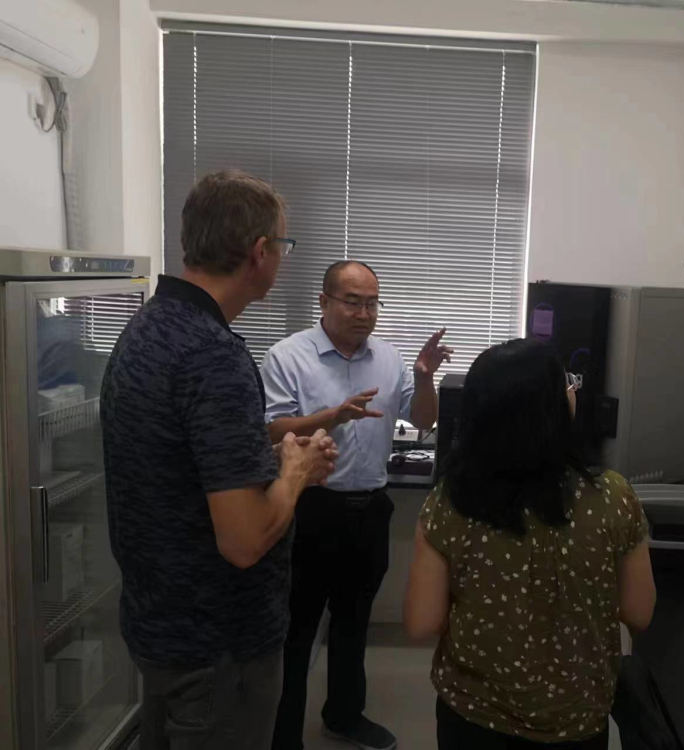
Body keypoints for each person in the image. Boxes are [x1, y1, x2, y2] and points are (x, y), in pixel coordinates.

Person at [101, 170, 338, 750]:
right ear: (259, 252)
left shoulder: (148, 327)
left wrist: (266, 454)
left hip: (160, 627)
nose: (281, 258)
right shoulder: (213, 355)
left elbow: (178, 463)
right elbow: (243, 540)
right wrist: (296, 473)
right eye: (282, 245)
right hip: (218, 650)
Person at [403, 338, 657, 750]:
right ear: (550, 409)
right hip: (576, 719)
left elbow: (421, 622)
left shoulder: (451, 500)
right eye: (565, 383)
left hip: (474, 717)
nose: (573, 389)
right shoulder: (613, 497)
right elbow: (639, 612)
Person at [263, 260, 453, 750]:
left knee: (353, 622)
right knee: (297, 628)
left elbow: (424, 420)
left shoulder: (388, 358)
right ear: (324, 301)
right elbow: (272, 429)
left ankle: (345, 716)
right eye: (352, 302)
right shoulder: (288, 356)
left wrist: (424, 378)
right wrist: (333, 416)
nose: (364, 313)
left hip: (369, 508)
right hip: (307, 508)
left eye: (372, 303)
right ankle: (283, 735)